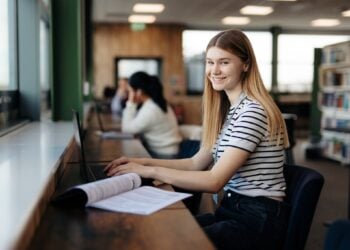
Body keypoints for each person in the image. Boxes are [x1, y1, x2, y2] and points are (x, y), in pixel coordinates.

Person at [105, 29, 290, 250]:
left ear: (246, 64)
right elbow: (195, 163)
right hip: (234, 208)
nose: (214, 70)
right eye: (210, 62)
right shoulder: (232, 111)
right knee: (163, 228)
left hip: (256, 219)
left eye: (224, 62)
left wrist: (150, 171)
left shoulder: (252, 112)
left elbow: (214, 181)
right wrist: (143, 162)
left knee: (166, 241)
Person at [121, 71, 182, 159]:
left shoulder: (150, 110)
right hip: (170, 151)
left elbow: (126, 130)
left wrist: (131, 103)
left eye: (130, 91)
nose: (129, 95)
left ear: (139, 91)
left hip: (165, 155)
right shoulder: (155, 103)